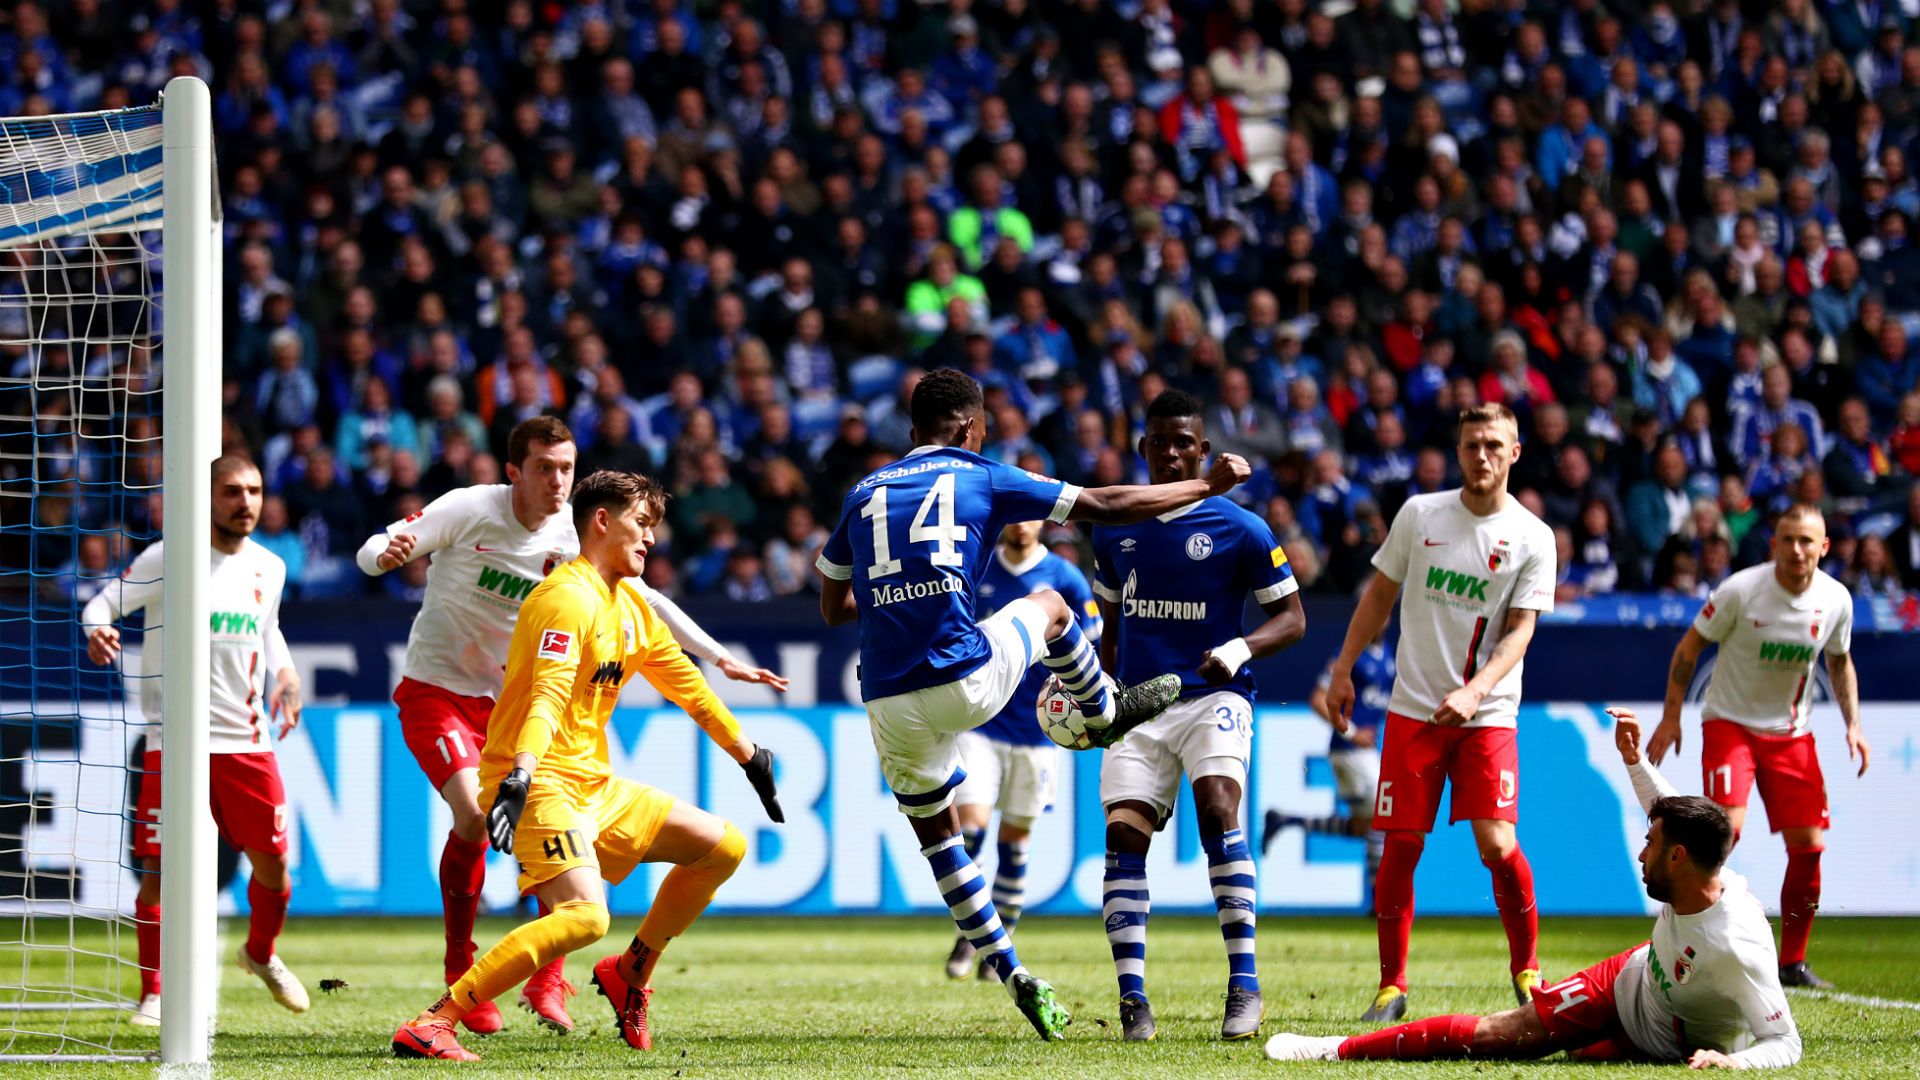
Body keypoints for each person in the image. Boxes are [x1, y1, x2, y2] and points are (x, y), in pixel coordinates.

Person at [814, 369, 1251, 1041]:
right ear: (968, 428)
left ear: (910, 432)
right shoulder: (982, 474)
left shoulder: (860, 493)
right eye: (982, 427)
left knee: (942, 844)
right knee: (1050, 607)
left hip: (887, 696)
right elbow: (1104, 502)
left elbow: (834, 605)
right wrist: (1206, 487)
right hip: (962, 676)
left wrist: (894, 589)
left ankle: (1014, 972)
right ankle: (1102, 711)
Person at [355, 417, 786, 1034]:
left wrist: (747, 745)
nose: (559, 480)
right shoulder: (519, 552)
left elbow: (675, 662)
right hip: (457, 697)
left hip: (576, 767)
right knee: (513, 848)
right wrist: (380, 557)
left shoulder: (611, 580)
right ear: (514, 472)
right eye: (545, 467)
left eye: (567, 467)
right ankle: (451, 993)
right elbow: (550, 691)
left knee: (724, 847)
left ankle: (624, 973)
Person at [1264, 707, 1802, 1069]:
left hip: (1665, 1040)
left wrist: (1734, 1063)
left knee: (1568, 1054)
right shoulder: (1701, 860)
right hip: (1629, 978)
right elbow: (1663, 806)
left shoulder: (1736, 944)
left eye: (1651, 844)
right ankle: (1336, 1049)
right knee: (1503, 1034)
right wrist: (1635, 761)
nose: (1642, 852)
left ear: (1679, 858)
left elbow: (1785, 1042)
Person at [1321, 403, 1556, 1022]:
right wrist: (1343, 667)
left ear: (1514, 452)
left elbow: (1521, 631)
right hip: (1414, 710)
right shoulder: (1420, 515)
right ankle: (1391, 986)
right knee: (1399, 842)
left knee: (1497, 843)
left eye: (1493, 444)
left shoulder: (1534, 536)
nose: (1482, 455)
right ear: (1459, 452)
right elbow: (1379, 596)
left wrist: (1477, 691)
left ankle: (1527, 970)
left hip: (1489, 713)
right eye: (1472, 444)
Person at [1087, 389, 1307, 1042]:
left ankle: (1245, 985)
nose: (1176, 453)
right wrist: (1098, 695)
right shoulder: (1114, 529)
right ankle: (1133, 1001)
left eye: (1187, 442)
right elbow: (1109, 624)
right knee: (1125, 838)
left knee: (1217, 809)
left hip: (1216, 696)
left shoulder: (1242, 528)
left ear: (1204, 451)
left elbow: (1292, 618)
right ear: (1143, 450)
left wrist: (1239, 646)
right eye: (1163, 442)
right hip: (1138, 706)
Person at [81, 455, 308, 1025]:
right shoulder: (170, 558)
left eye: (254, 490)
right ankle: (154, 993)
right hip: (173, 741)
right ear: (207, 497)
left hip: (245, 741)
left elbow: (269, 628)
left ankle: (260, 954)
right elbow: (103, 603)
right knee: (157, 874)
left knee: (275, 869)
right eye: (233, 491)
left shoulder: (270, 567)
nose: (246, 502)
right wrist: (99, 628)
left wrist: (285, 673)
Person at [1648, 503, 1869, 989]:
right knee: (1724, 833)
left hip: (1791, 735)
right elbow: (1689, 648)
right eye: (1787, 539)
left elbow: (1840, 661)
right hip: (1731, 726)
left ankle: (1792, 963)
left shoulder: (1836, 600)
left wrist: (1853, 724)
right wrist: (1671, 716)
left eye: (1807, 541)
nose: (1796, 549)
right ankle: (1684, 942)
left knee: (1809, 847)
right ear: (1773, 544)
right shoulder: (1741, 591)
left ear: (1824, 547)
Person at [943, 519, 1103, 982]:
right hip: (982, 722)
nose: (1020, 523)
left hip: (1038, 733)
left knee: (1014, 847)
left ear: (1043, 521)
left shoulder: (1064, 577)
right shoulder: (978, 569)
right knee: (969, 832)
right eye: (1011, 514)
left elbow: (1090, 642)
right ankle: (973, 934)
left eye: (1028, 514)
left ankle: (996, 946)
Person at [1262, 629, 1395, 903]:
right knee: (1383, 821)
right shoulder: (1347, 653)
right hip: (1349, 750)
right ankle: (1381, 901)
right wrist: (1352, 731)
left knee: (1365, 826)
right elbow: (1318, 699)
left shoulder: (1388, 655)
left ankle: (1287, 820)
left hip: (1366, 751)